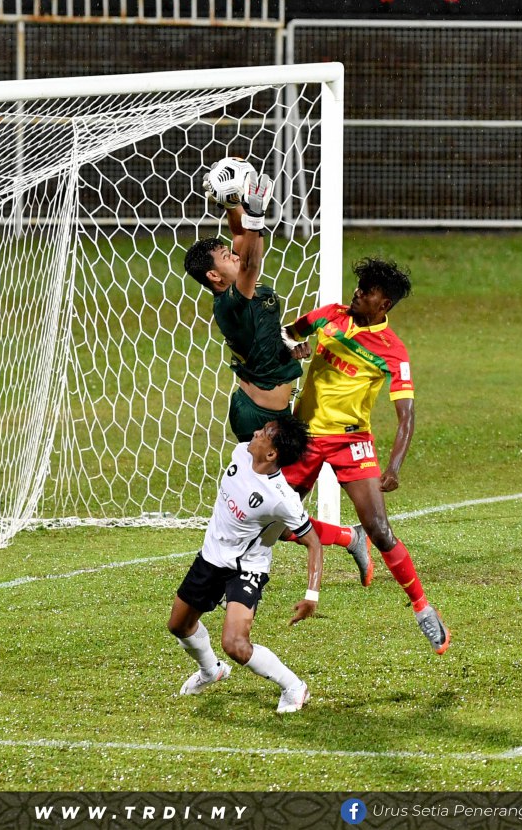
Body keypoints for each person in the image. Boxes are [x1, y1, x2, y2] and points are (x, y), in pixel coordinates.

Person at [182, 157, 372, 584]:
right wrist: (254, 213)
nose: (234, 253)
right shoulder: (234, 298)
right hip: (261, 419)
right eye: (224, 258)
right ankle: (346, 538)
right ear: (215, 276)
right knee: (276, 513)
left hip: (272, 411)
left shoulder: (237, 290)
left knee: (279, 510)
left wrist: (233, 202)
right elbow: (247, 259)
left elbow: (238, 241)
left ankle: (345, 537)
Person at [282, 257, 451, 654]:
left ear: (384, 304)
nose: (357, 292)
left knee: (380, 527)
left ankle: (424, 609)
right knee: (273, 523)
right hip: (304, 435)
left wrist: (393, 466)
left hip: (351, 441)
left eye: (367, 290)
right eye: (359, 286)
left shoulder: (393, 351)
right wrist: (296, 347)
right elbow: (287, 334)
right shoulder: (328, 316)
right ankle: (346, 538)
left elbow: (406, 415)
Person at [167, 414, 324, 714]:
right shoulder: (241, 452)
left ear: (271, 453)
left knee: (236, 645)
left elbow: (313, 542)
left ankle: (293, 686)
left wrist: (311, 596)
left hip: (245, 568)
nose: (255, 432)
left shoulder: (281, 499)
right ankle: (211, 670)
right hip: (211, 557)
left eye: (264, 432)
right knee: (179, 625)